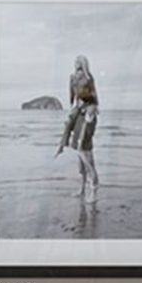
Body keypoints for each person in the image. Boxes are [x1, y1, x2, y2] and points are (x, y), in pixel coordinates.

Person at [54, 55, 100, 204]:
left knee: (83, 150)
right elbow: (74, 99)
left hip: (88, 114)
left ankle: (94, 186)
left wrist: (90, 114)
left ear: (84, 65)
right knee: (81, 155)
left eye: (80, 63)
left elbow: (92, 99)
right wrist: (74, 110)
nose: (77, 65)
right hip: (78, 114)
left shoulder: (88, 78)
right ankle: (82, 189)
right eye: (76, 63)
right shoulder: (72, 78)